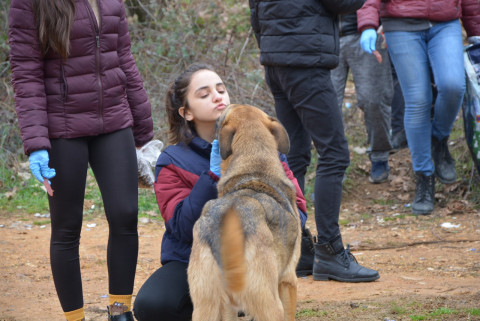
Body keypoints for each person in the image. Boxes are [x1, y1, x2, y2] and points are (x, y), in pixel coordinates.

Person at [8, 0, 153, 320]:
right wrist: (36, 143)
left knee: (126, 214)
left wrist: (143, 129)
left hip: (114, 121)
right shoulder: (29, 4)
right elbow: (26, 73)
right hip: (62, 129)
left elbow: (124, 58)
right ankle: (75, 317)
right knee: (67, 227)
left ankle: (120, 311)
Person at [132, 63, 310, 321]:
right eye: (204, 94)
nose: (217, 96)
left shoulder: (264, 145)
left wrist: (267, 221)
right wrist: (212, 177)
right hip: (193, 256)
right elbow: (181, 228)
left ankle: (248, 302)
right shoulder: (173, 160)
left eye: (221, 89)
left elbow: (299, 212)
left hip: (259, 251)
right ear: (186, 112)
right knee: (154, 305)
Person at [249, 0, 380, 282]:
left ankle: (296, 247)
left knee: (294, 154)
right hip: (304, 59)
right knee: (334, 154)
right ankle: (330, 250)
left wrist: (273, 45)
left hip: (276, 59)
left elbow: (254, 12)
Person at [358, 0, 480, 215]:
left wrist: (475, 29)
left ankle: (438, 140)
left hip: (445, 21)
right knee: (418, 100)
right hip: (400, 23)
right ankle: (424, 176)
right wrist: (368, 24)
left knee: (453, 86)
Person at [331, 12, 394, 183]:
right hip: (326, 35)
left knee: (374, 100)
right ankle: (332, 167)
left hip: (366, 30)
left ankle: (380, 155)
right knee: (327, 106)